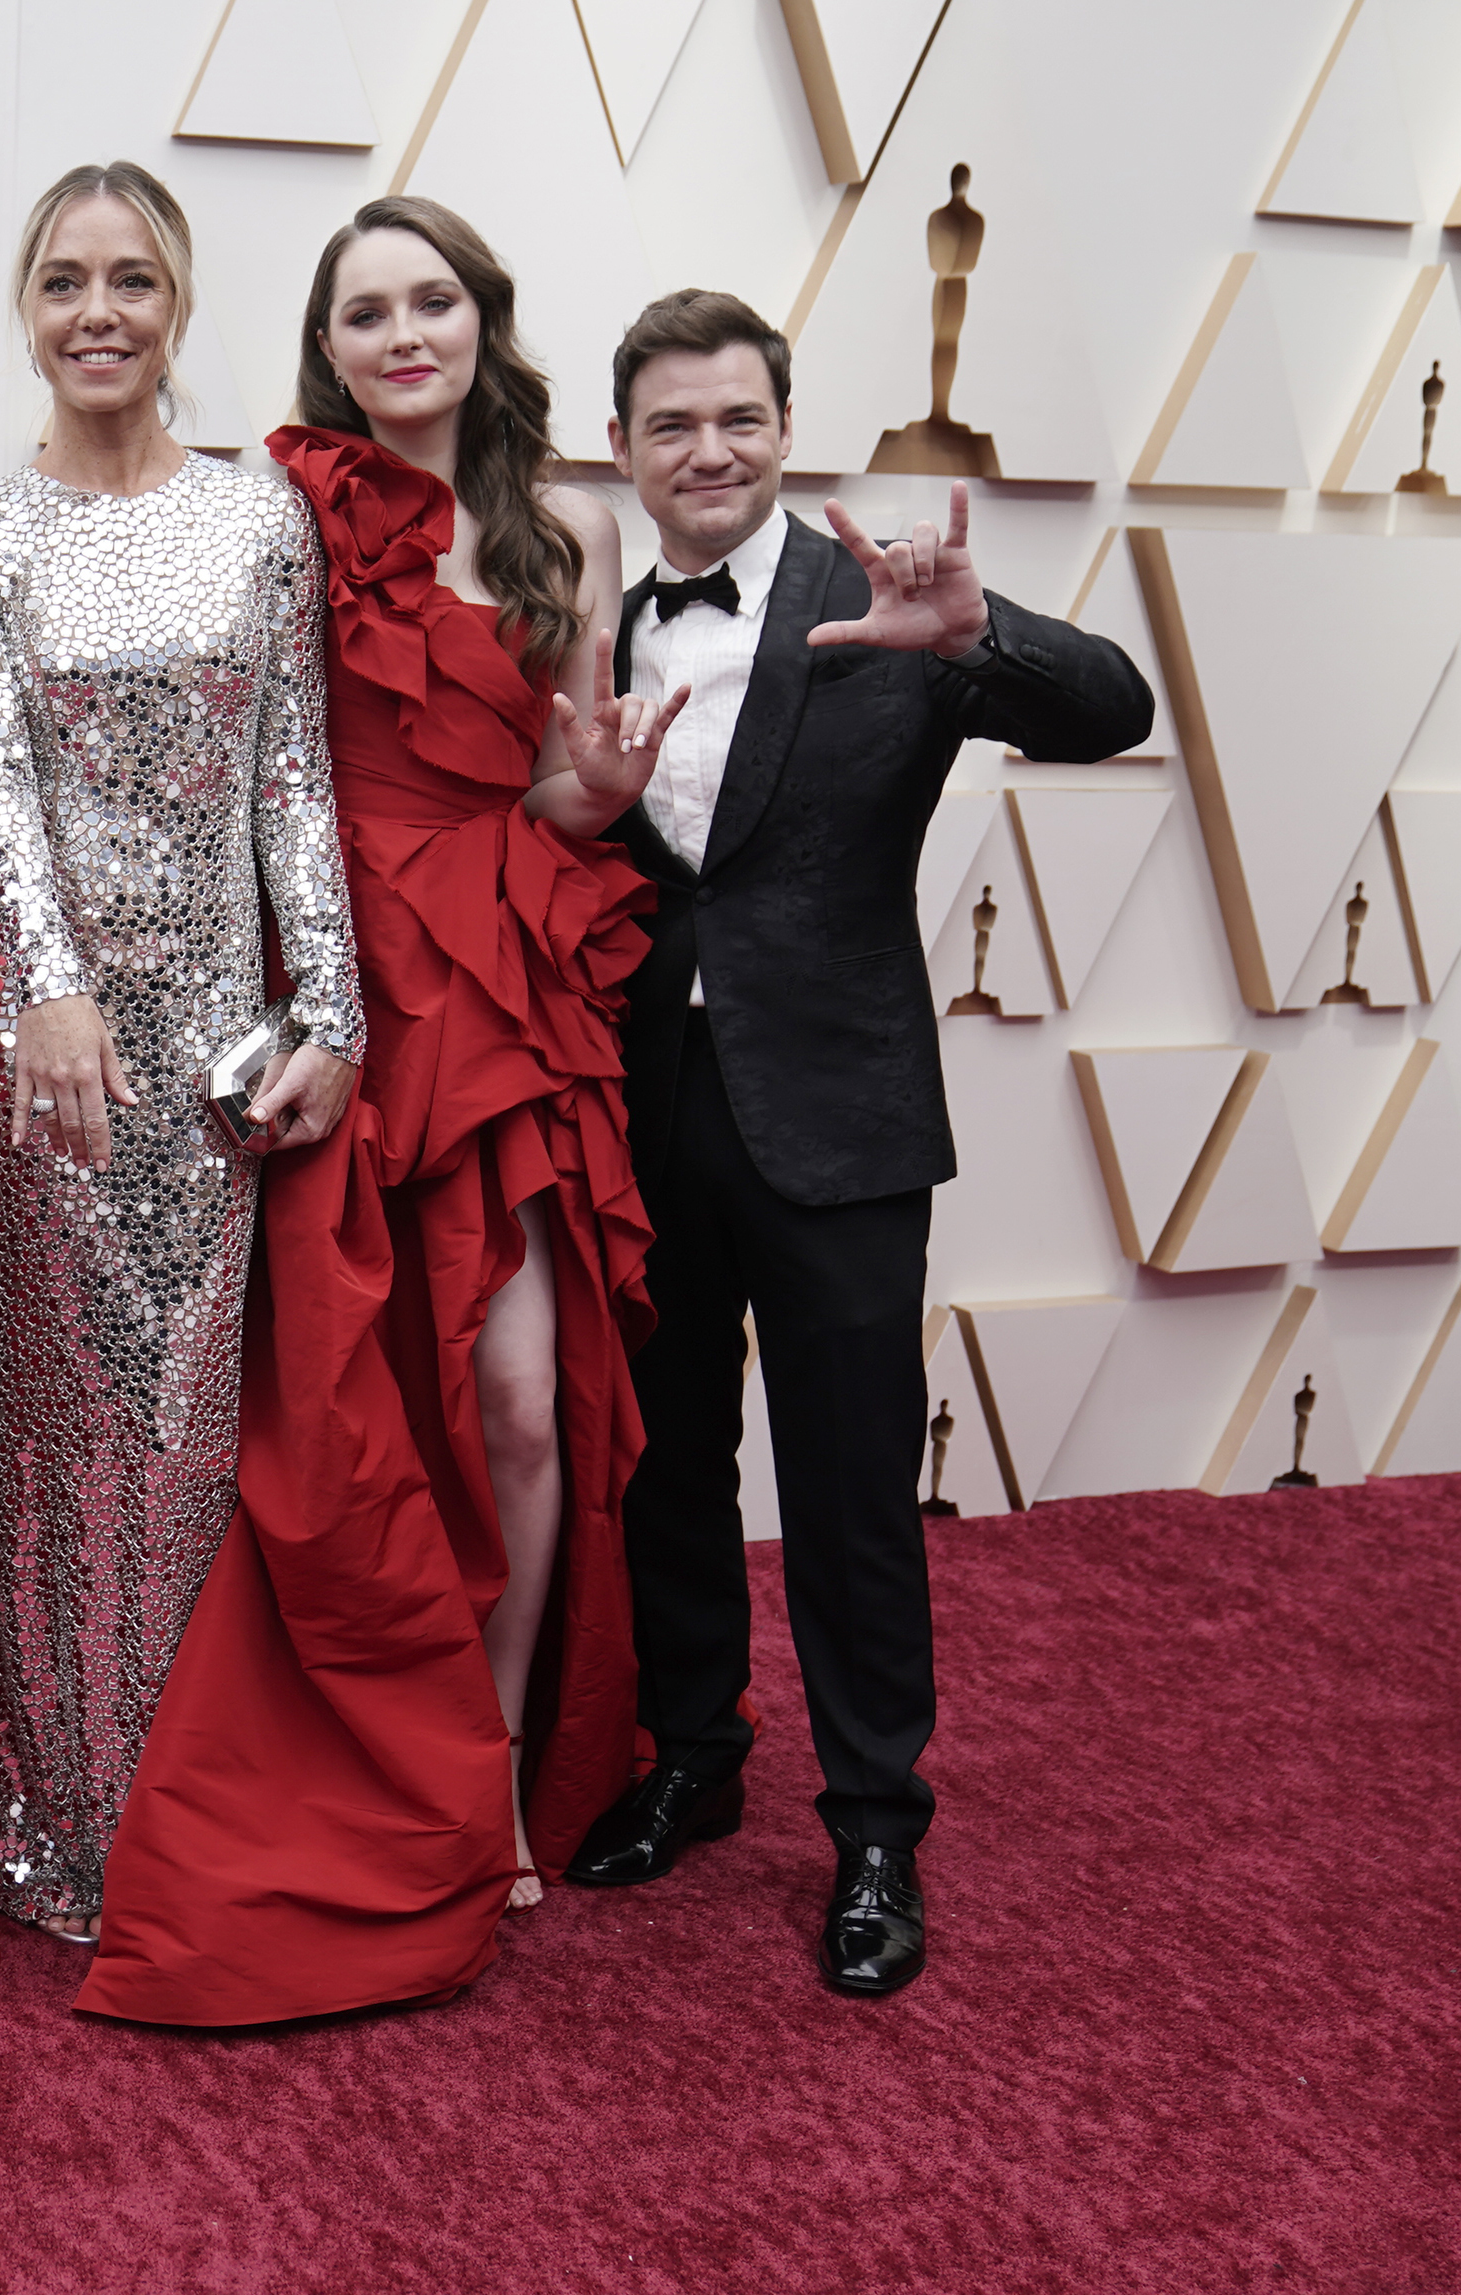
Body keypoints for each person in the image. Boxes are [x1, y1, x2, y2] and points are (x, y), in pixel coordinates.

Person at [83, 198, 682, 2023]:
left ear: (486, 323)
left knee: (513, 1401)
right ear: (326, 346)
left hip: (495, 980)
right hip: (330, 981)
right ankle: (267, 1747)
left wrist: (591, 798)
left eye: (435, 302)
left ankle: (485, 1769)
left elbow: (568, 799)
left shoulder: (563, 528)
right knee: (349, 1396)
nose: (404, 334)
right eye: (367, 311)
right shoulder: (278, 504)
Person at [568, 291, 1152, 1995]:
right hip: (635, 1110)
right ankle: (693, 1752)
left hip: (840, 1120)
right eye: (672, 424)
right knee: (661, 1462)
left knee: (845, 1492)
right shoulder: (584, 615)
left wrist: (976, 638)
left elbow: (1108, 705)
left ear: (784, 426)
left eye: (739, 417)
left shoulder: (889, 603)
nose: (709, 450)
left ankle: (878, 1829)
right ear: (625, 450)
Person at [0, 162, 364, 1956]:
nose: (96, 310)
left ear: (177, 301)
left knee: (182, 1443)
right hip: (38, 1054)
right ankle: (37, 1820)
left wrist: (327, 1007)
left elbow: (293, 784)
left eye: (130, 279)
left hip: (214, 1062)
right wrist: (42, 986)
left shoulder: (263, 522)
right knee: (38, 1438)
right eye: (62, 281)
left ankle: (168, 1815)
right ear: (25, 308)